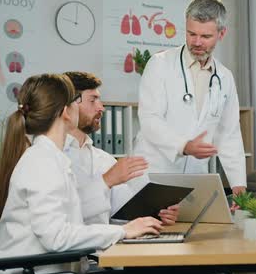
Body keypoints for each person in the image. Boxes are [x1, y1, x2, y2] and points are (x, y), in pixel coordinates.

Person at [0, 74, 162, 274]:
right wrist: (123, 232)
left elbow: (68, 224)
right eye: (77, 101)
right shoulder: (42, 162)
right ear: (66, 112)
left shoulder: (52, 158)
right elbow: (57, 238)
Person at [133, 0, 246, 195]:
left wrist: (238, 185)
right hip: (154, 172)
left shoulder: (224, 77)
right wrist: (183, 145)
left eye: (205, 36)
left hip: (194, 178)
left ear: (221, 33)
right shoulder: (160, 64)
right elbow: (149, 119)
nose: (197, 42)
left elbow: (229, 134)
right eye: (191, 34)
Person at [62, 71, 179, 226]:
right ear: (70, 106)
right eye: (93, 100)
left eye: (100, 100)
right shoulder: (51, 157)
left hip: (107, 246)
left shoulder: (105, 159)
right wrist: (107, 180)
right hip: (75, 249)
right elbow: (62, 217)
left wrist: (157, 215)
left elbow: (123, 214)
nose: (101, 108)